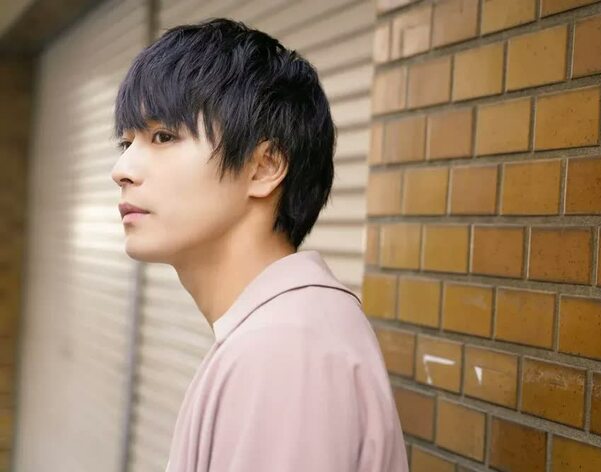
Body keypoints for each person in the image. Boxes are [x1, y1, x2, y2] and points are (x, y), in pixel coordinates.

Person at [110, 17, 409, 472]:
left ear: (264, 167)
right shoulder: (285, 331)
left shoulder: (285, 350)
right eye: (126, 143)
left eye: (163, 136)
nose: (122, 170)